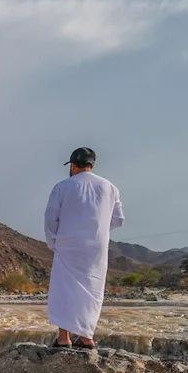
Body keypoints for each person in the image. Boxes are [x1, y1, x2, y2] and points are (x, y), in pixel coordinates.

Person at [43, 146, 124, 349]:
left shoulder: (62, 187)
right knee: (92, 289)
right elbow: (119, 220)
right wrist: (98, 230)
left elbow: (50, 218)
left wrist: (53, 242)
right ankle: (87, 338)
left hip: (68, 245)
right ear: (92, 165)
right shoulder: (109, 187)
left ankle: (64, 339)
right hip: (96, 247)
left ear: (72, 165)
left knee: (64, 290)